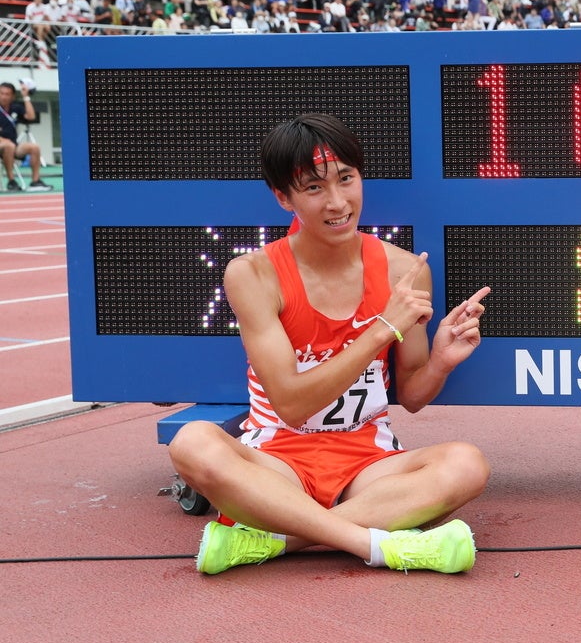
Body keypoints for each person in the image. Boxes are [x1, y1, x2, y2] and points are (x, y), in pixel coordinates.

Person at [168, 114, 492, 575]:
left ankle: (274, 541)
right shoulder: (252, 275)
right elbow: (292, 405)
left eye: (346, 179)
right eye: (314, 188)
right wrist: (380, 330)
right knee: (191, 443)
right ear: (284, 198)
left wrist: (440, 361)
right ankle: (377, 544)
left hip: (368, 464)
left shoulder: (405, 271)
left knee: (467, 464)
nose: (338, 202)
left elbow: (412, 396)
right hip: (276, 460)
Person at [0, 81, 50, 192]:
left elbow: (31, 117)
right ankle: (11, 181)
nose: (4, 96)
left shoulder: (15, 108)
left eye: (7, 94)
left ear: (12, 96)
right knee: (9, 146)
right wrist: (3, 140)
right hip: (3, 145)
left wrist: (26, 97)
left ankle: (35, 182)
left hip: (13, 146)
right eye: (1, 93)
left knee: (34, 147)